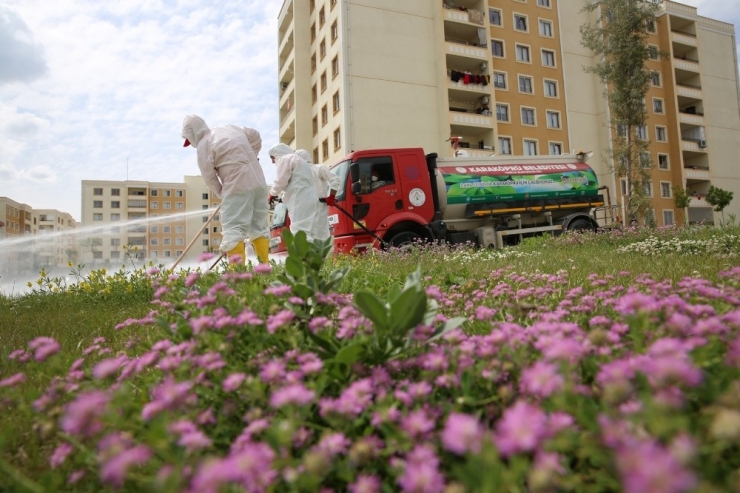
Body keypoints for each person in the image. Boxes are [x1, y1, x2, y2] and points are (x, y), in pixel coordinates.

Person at [181, 114, 270, 264]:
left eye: (189, 140)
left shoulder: (204, 144)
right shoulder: (231, 128)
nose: (191, 143)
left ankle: (237, 274)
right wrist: (252, 156)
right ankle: (265, 267)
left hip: (237, 184)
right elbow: (255, 136)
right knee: (258, 225)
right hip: (259, 180)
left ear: (193, 133)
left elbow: (210, 178)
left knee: (233, 229)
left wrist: (223, 194)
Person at [268, 144, 321, 241]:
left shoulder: (286, 158)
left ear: (278, 153)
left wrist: (271, 194)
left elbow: (280, 180)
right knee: (309, 232)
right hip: (310, 197)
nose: (272, 161)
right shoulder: (300, 161)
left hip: (299, 198)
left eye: (272, 157)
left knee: (299, 232)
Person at [296, 149, 340, 242]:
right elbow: (335, 180)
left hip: (312, 209)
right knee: (320, 237)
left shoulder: (317, 169)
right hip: (315, 209)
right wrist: (331, 196)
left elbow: (335, 179)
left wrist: (331, 197)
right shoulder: (318, 169)